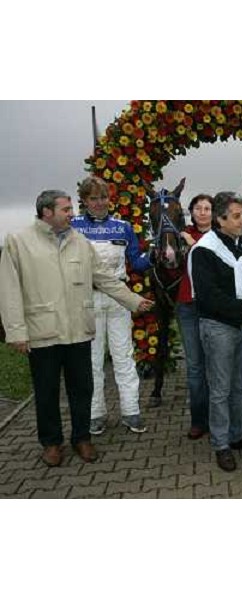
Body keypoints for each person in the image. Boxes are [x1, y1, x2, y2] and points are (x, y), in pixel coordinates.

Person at [0, 190, 152, 467]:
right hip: (42, 331)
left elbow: (104, 278)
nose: (72, 213)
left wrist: (134, 301)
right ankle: (51, 443)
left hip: (78, 331)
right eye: (66, 209)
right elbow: (9, 290)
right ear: (47, 212)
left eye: (71, 208)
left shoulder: (80, 242)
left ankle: (82, 438)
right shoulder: (18, 242)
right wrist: (16, 331)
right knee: (46, 391)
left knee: (82, 388)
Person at [71, 176, 151, 435]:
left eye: (103, 197)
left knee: (123, 356)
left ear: (110, 198)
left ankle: (131, 411)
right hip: (86, 300)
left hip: (118, 297)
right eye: (93, 198)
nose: (99, 203)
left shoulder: (123, 227)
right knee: (92, 360)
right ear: (84, 201)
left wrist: (156, 254)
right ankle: (95, 414)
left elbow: (136, 262)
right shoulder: (73, 227)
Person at [190, 191, 242, 472]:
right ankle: (221, 444)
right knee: (220, 390)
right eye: (236, 216)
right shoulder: (205, 250)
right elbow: (209, 297)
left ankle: (238, 434)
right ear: (220, 219)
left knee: (240, 387)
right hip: (219, 327)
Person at [176, 193, 213, 440]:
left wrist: (194, 244)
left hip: (213, 307)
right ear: (191, 212)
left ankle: (219, 417)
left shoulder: (220, 236)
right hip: (188, 305)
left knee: (216, 364)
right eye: (197, 208)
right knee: (195, 366)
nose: (202, 212)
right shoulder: (180, 234)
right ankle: (199, 419)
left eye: (207, 208)